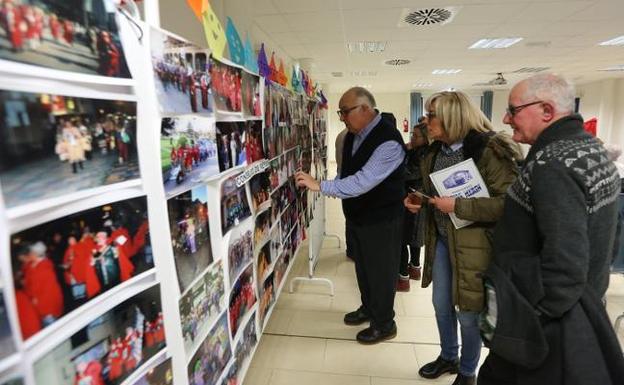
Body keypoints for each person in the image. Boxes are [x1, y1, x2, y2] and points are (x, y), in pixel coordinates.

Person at [477, 74, 624, 384]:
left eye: (513, 110)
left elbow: (565, 265)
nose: (506, 119)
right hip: (583, 306)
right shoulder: (592, 151)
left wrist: (529, 323)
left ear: (546, 110)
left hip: (549, 326)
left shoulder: (552, 165)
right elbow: (611, 237)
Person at [404, 91, 520, 385]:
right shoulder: (434, 152)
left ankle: (468, 372)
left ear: (452, 118)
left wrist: (459, 206)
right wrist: (420, 201)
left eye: (432, 116)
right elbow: (436, 193)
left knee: (468, 313)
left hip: (476, 247)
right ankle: (448, 356)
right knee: (441, 304)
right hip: (442, 241)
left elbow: (510, 204)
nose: (426, 121)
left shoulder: (489, 151)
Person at [296, 86, 405, 344]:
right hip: (358, 217)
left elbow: (360, 182)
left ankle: (384, 323)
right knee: (364, 269)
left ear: (365, 109)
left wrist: (319, 185)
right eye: (340, 112)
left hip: (382, 220)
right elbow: (346, 174)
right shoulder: (351, 136)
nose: (342, 117)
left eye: (345, 112)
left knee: (381, 272)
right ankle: (369, 308)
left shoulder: (388, 140)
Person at [397, 122, 429, 291]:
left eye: (416, 136)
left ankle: (403, 278)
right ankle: (415, 268)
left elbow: (408, 174)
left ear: (426, 138)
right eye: (412, 135)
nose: (412, 138)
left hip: (412, 199)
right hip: (418, 198)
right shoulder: (419, 152)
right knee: (414, 238)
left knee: (403, 239)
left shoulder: (421, 156)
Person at [334, 127, 354, 261]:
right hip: (352, 181)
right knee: (354, 217)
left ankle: (351, 249)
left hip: (344, 179)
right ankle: (354, 250)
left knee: (349, 216)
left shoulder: (341, 135)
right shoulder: (351, 137)